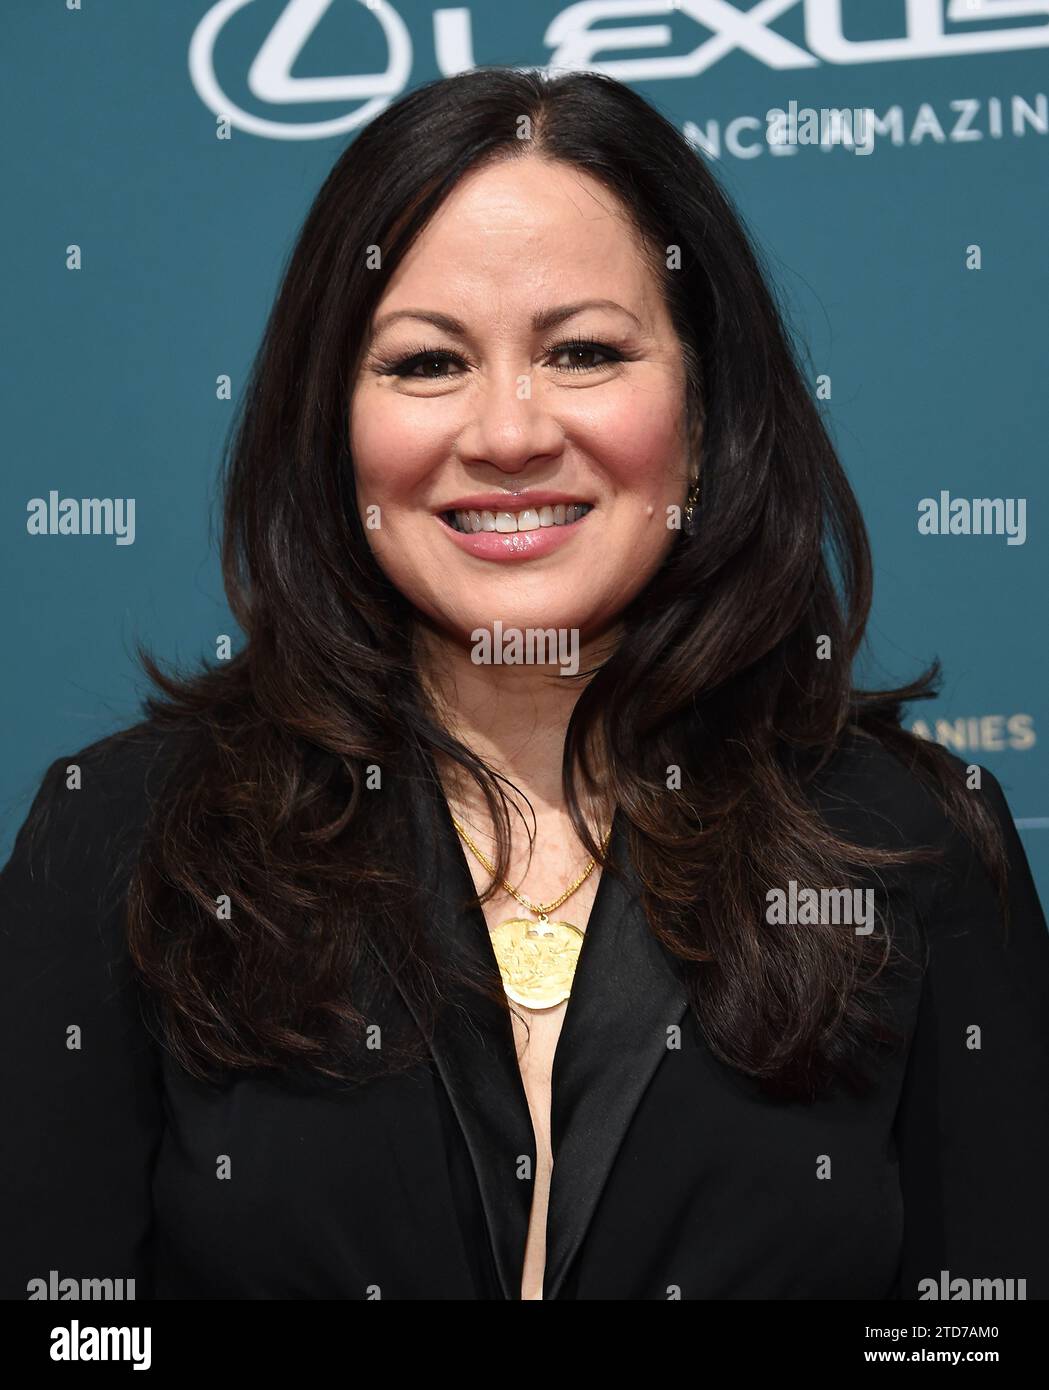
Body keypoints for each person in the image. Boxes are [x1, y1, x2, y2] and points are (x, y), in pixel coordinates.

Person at [2, 67, 1048, 1303]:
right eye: (426, 363)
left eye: (585, 351)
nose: (506, 433)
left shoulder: (916, 847)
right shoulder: (125, 837)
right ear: (330, 427)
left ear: (705, 418)